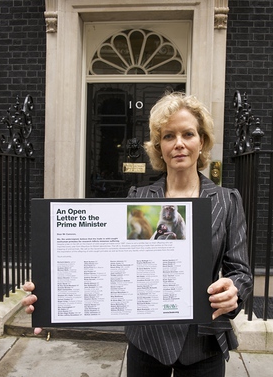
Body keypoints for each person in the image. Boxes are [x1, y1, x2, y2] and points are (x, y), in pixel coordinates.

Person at [22, 92, 252, 377]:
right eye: (169, 136)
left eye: (188, 134)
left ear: (201, 141)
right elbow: (108, 258)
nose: (179, 143)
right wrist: (51, 292)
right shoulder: (139, 198)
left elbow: (240, 272)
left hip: (202, 344)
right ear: (159, 146)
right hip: (148, 343)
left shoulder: (227, 201)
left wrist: (234, 291)